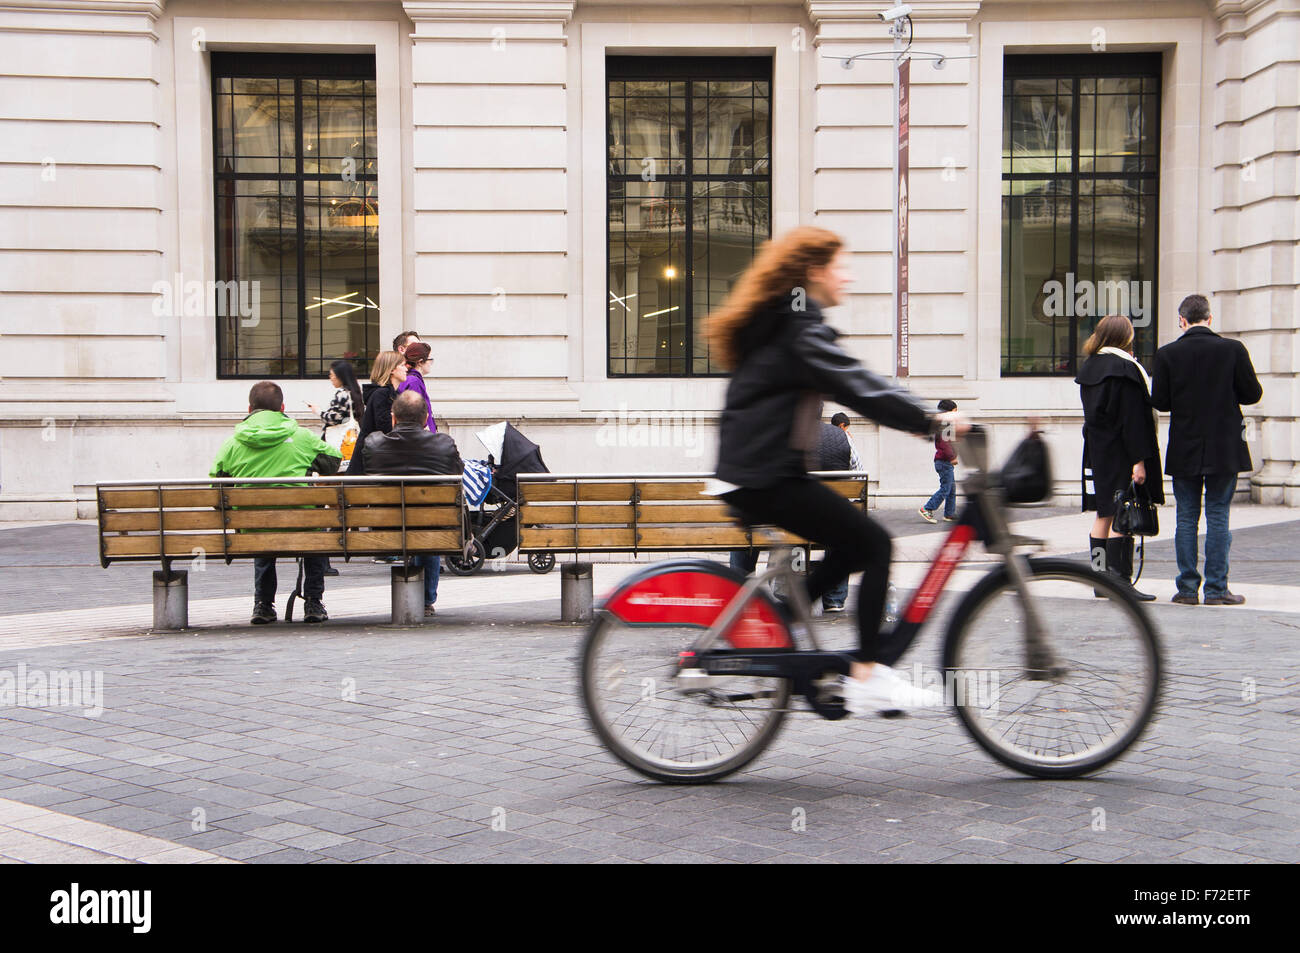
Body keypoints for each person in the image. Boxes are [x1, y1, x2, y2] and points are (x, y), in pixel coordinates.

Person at [706, 225, 965, 715]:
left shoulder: (791, 318)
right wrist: (930, 420)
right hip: (765, 477)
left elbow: (854, 380)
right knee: (875, 543)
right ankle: (869, 673)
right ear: (813, 272)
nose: (847, 276)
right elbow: (854, 382)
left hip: (759, 472)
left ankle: (780, 621)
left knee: (852, 544)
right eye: (839, 267)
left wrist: (915, 418)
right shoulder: (798, 324)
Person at [1151, 294, 1262, 605]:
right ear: (1210, 319)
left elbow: (1159, 401)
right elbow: (1252, 393)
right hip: (1224, 445)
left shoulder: (1167, 354)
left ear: (1182, 320)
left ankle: (1187, 589)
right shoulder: (1232, 349)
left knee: (1186, 517)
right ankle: (1216, 589)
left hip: (1185, 444)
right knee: (1218, 515)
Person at [210, 381, 342, 625]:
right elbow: (334, 461)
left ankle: (263, 604)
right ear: (282, 407)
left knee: (261, 525)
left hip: (252, 530)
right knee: (315, 529)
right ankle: (313, 601)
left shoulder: (232, 443)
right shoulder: (302, 436)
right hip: (303, 526)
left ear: (250, 408)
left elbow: (216, 490)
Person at [1075, 314, 1164, 601]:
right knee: (1122, 516)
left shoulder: (1090, 367)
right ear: (1124, 336)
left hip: (1099, 451)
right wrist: (1139, 460)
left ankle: (1100, 579)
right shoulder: (1124, 369)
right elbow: (1132, 419)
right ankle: (1120, 581)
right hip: (1121, 451)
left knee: (1104, 514)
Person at [362, 391, 463, 618]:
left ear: (393, 418)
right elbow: (459, 473)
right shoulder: (444, 444)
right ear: (426, 418)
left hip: (385, 530)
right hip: (433, 529)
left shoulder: (374, 443)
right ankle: (426, 600)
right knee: (428, 525)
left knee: (418, 522)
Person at [347, 351, 407, 478]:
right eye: (402, 365)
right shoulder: (382, 394)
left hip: (377, 460)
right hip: (371, 464)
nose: (406, 369)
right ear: (391, 370)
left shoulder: (391, 394)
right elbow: (386, 428)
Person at [306, 360, 364, 464]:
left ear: (340, 376)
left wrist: (318, 411)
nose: (330, 378)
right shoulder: (356, 392)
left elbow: (334, 419)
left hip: (339, 437)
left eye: (332, 375)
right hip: (353, 436)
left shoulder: (342, 394)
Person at [919, 399, 960, 523]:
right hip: (944, 461)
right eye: (955, 411)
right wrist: (952, 457)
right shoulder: (946, 424)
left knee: (951, 488)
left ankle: (949, 514)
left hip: (943, 461)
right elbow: (945, 444)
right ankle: (927, 508)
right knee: (946, 488)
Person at [396, 341, 437, 433]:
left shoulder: (411, 379)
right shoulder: (413, 381)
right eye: (430, 360)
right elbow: (416, 414)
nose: (431, 364)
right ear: (420, 362)